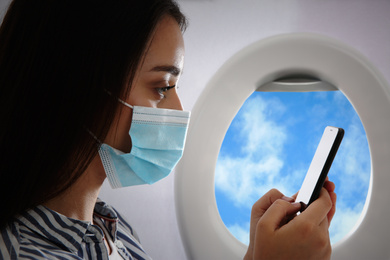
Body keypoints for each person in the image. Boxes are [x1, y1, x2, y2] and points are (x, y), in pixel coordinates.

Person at [0, 0, 336, 259]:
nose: (178, 109)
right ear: (80, 89)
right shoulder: (27, 252)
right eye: (162, 86)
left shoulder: (110, 228)